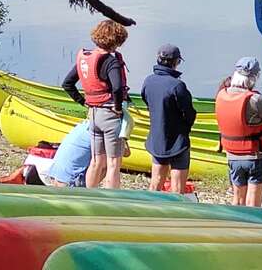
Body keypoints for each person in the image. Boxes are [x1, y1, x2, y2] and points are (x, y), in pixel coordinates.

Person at [62, 20, 129, 189]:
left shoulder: (86, 59)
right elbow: (117, 87)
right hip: (110, 115)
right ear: (116, 40)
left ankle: (89, 196)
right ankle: (112, 200)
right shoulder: (110, 62)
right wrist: (118, 108)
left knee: (96, 160)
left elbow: (67, 84)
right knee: (113, 162)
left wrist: (82, 101)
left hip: (92, 114)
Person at [215, 57, 262, 207]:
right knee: (253, 205)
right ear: (254, 78)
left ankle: (236, 227)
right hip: (256, 157)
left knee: (238, 201)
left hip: (232, 156)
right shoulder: (256, 100)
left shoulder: (221, 95)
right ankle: (252, 229)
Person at [141, 44, 196, 193]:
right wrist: (185, 128)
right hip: (178, 141)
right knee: (178, 188)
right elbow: (190, 113)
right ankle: (177, 213)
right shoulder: (178, 86)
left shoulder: (148, 81)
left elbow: (147, 102)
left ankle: (150, 211)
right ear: (175, 62)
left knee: (155, 182)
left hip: (157, 138)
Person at [48, 121, 92, 187]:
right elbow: (102, 165)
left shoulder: (81, 126)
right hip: (70, 182)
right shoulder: (99, 130)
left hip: (54, 175)